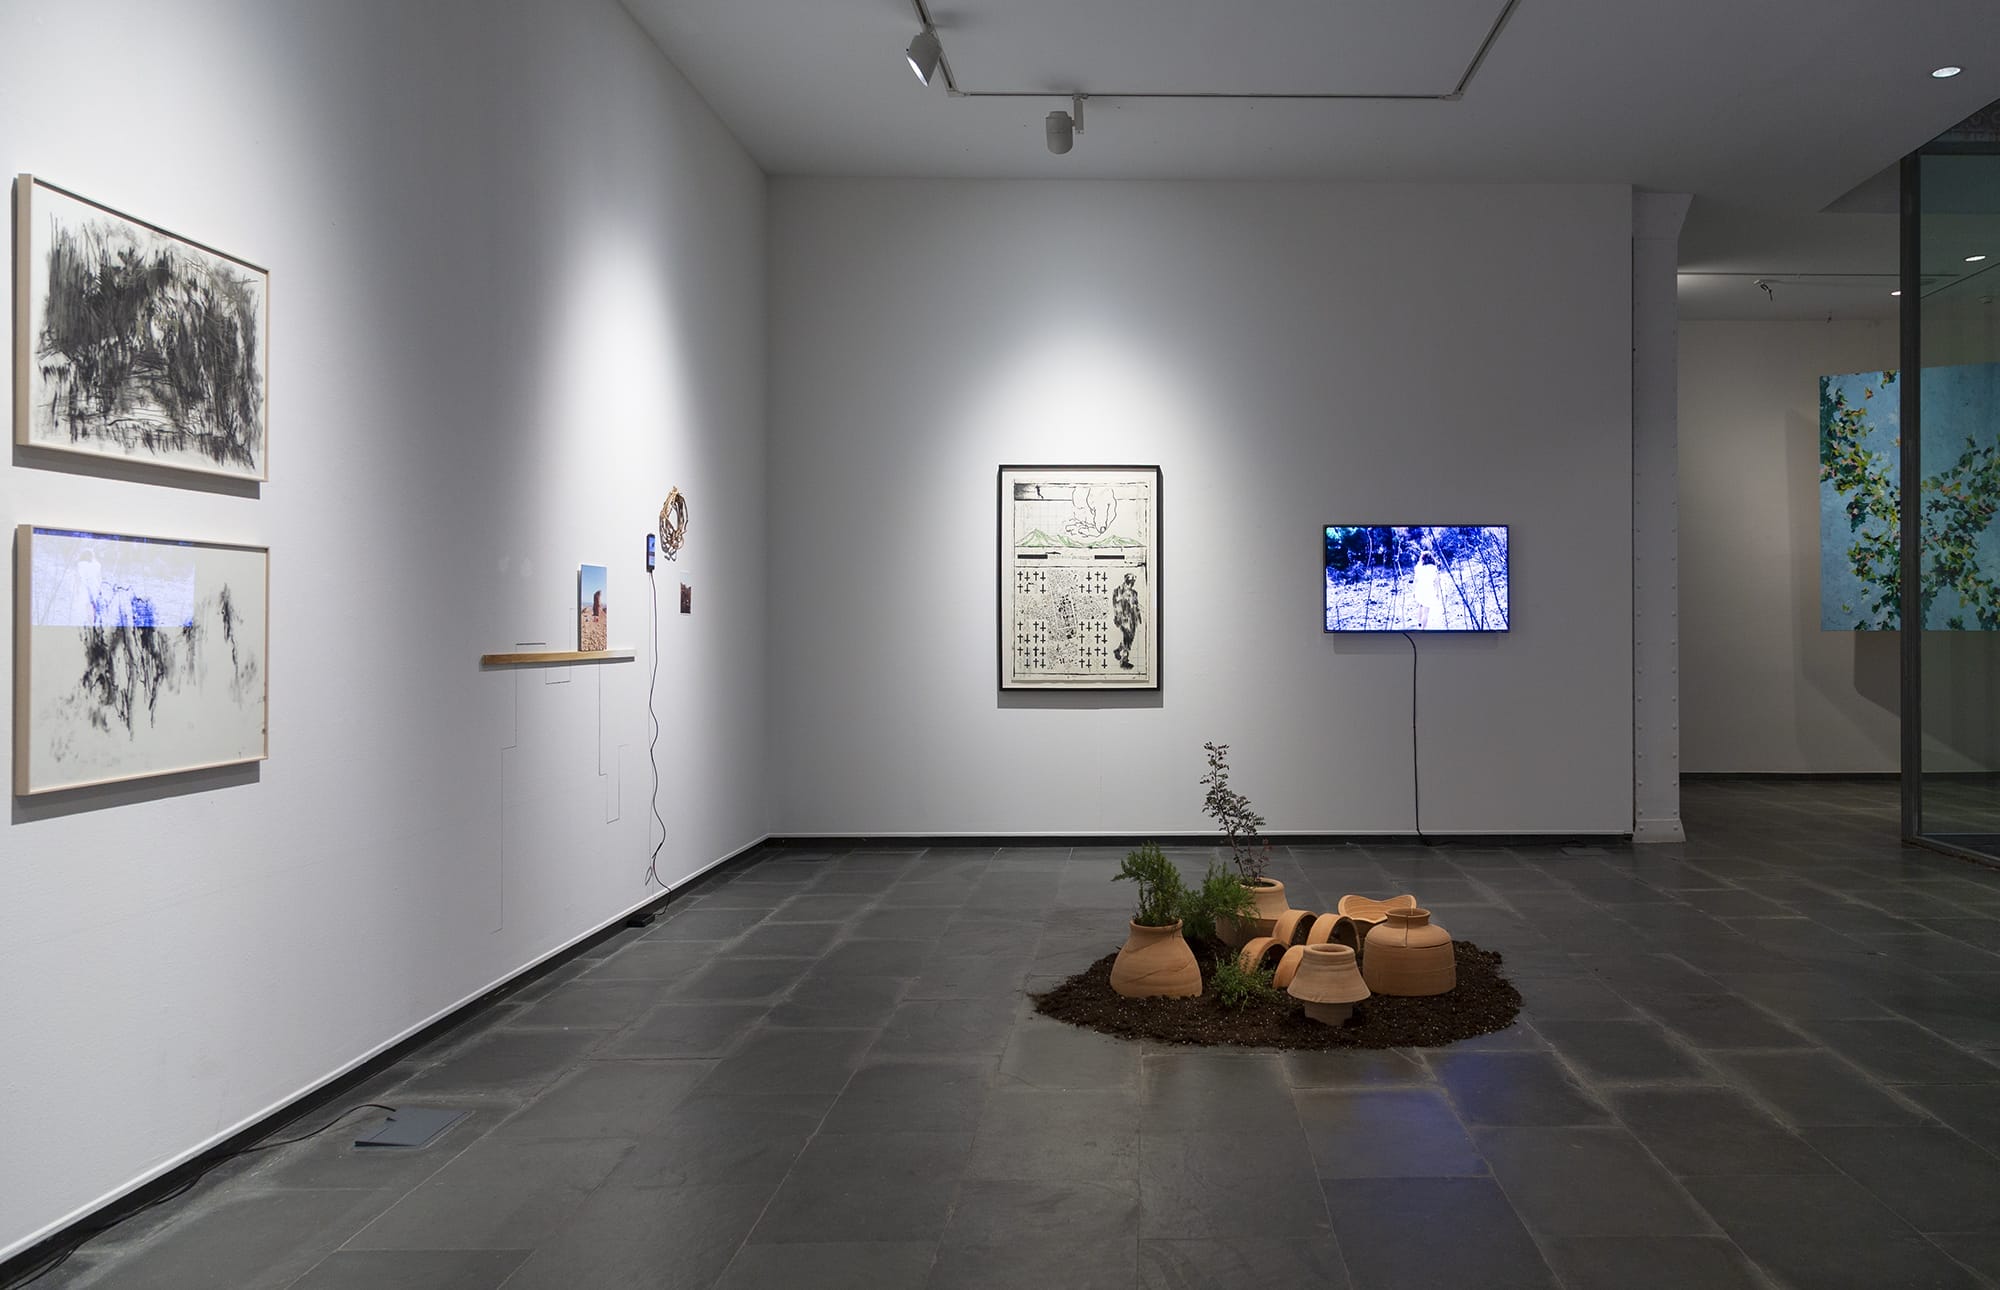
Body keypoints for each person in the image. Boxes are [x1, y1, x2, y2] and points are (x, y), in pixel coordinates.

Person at [1411, 550, 1445, 629]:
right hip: (1429, 590)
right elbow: (1436, 581)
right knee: (1426, 611)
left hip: (1419, 589)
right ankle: (1423, 629)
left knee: (1420, 605)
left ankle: (1419, 622)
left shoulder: (1419, 568)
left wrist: (1414, 591)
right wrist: (1437, 592)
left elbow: (1415, 580)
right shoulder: (1434, 568)